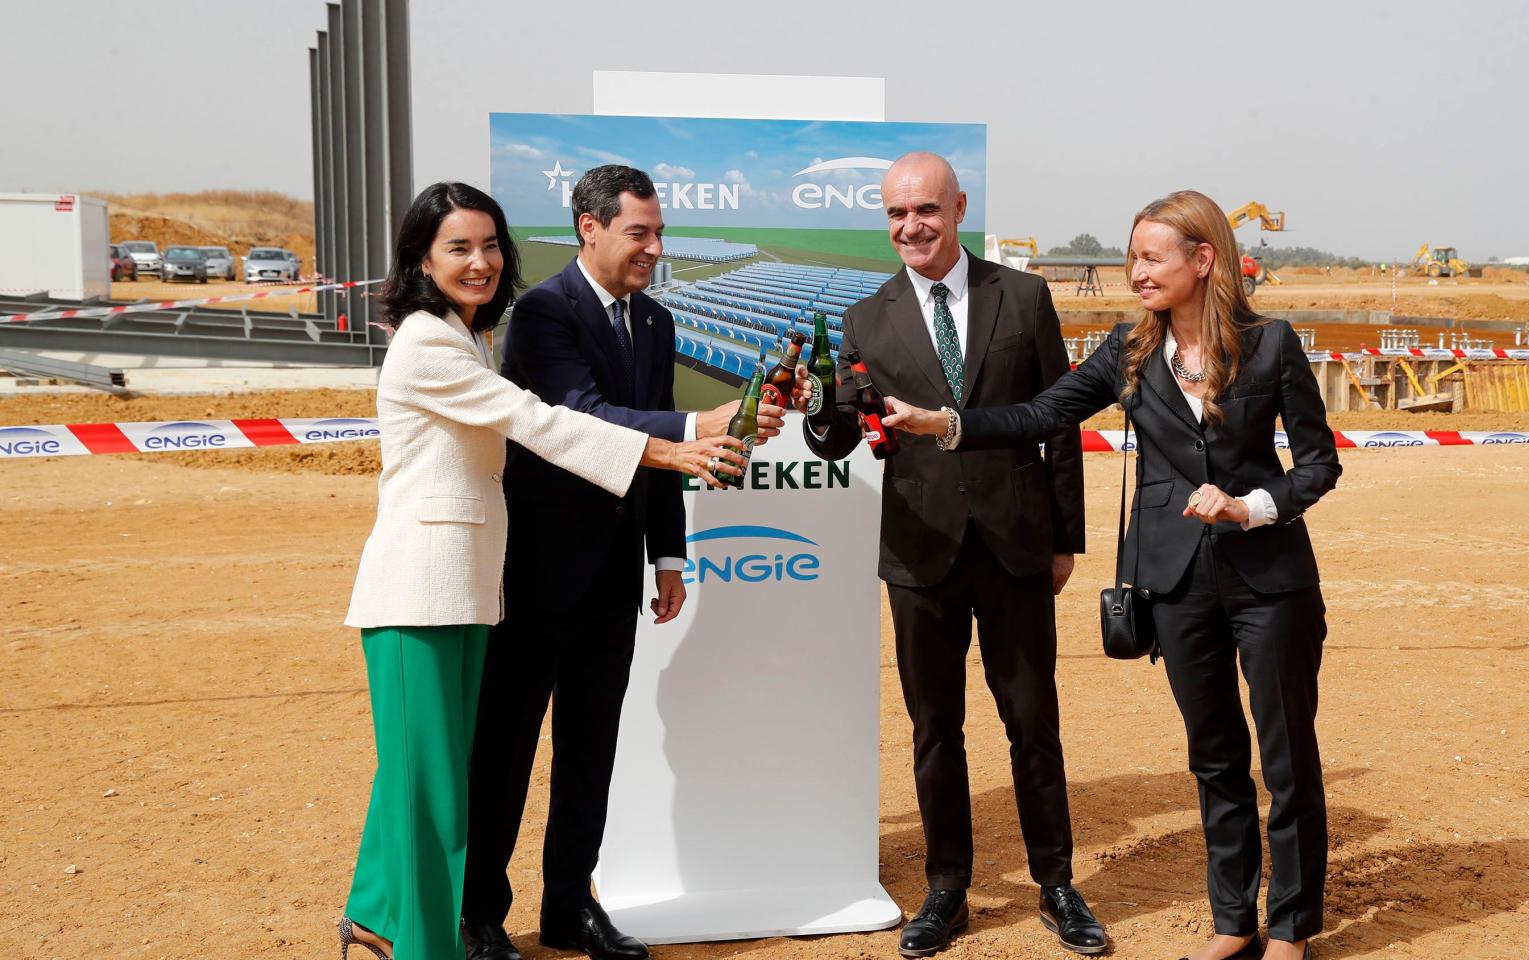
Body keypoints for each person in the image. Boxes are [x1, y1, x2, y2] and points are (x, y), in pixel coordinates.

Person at [882, 189, 1341, 960]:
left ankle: (1291, 928)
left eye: (1150, 258)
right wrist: (949, 425)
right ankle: (1234, 922)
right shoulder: (1128, 352)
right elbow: (1039, 414)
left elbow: (1318, 463)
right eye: (1132, 258)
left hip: (1271, 583)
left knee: (1287, 759)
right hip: (1174, 583)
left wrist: (1251, 504)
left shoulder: (1272, 345)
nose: (1135, 273)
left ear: (1203, 260)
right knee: (1214, 757)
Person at [337, 182, 740, 960]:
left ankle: (509, 910)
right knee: (462, 773)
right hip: (483, 581)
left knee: (473, 769)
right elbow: (543, 419)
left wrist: (667, 548)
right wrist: (680, 438)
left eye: (490, 246)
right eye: (459, 247)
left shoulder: (470, 335)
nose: (481, 262)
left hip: (495, 584)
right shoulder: (474, 330)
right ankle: (462, 921)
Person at [460, 164, 798, 960]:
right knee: (505, 752)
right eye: (637, 232)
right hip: (536, 573)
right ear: (590, 226)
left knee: (591, 748)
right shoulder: (542, 313)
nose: (652, 248)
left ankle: (571, 907)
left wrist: (669, 556)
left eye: (658, 233)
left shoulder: (655, 322)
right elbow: (583, 417)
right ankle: (479, 914)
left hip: (613, 577)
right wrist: (692, 419)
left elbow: (665, 460)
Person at [800, 151, 1102, 957]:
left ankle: (1057, 884)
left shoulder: (1026, 296)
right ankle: (947, 888)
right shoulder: (866, 317)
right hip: (918, 549)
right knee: (936, 729)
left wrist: (1064, 538)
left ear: (959, 207)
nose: (911, 227)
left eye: (925, 210)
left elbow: (1059, 419)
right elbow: (844, 434)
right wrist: (818, 413)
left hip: (1014, 547)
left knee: (1033, 721)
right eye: (896, 215)